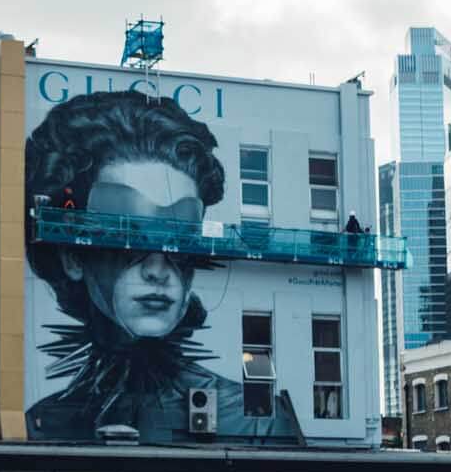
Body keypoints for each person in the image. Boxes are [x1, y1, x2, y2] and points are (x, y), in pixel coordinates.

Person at [23, 92, 295, 442]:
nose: (157, 269)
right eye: (130, 236)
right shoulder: (41, 425)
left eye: (179, 241)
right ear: (73, 257)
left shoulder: (256, 423)